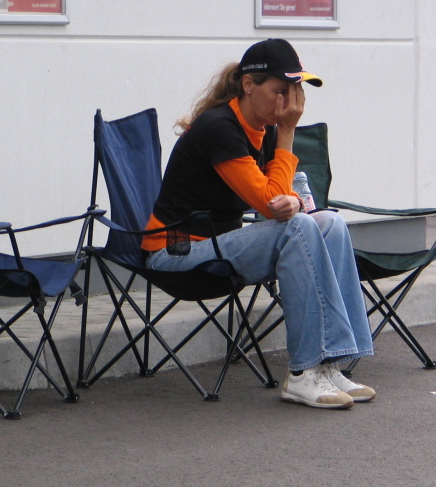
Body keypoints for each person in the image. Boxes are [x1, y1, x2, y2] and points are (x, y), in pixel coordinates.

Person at [141, 38, 375, 410]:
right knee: (299, 228)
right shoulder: (220, 128)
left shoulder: (262, 129)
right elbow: (270, 205)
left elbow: (290, 201)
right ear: (249, 85)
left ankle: (331, 364)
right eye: (280, 91)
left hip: (221, 247)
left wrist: (295, 199)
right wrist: (287, 134)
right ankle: (303, 374)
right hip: (175, 254)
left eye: (293, 92)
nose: (288, 103)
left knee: (329, 222)